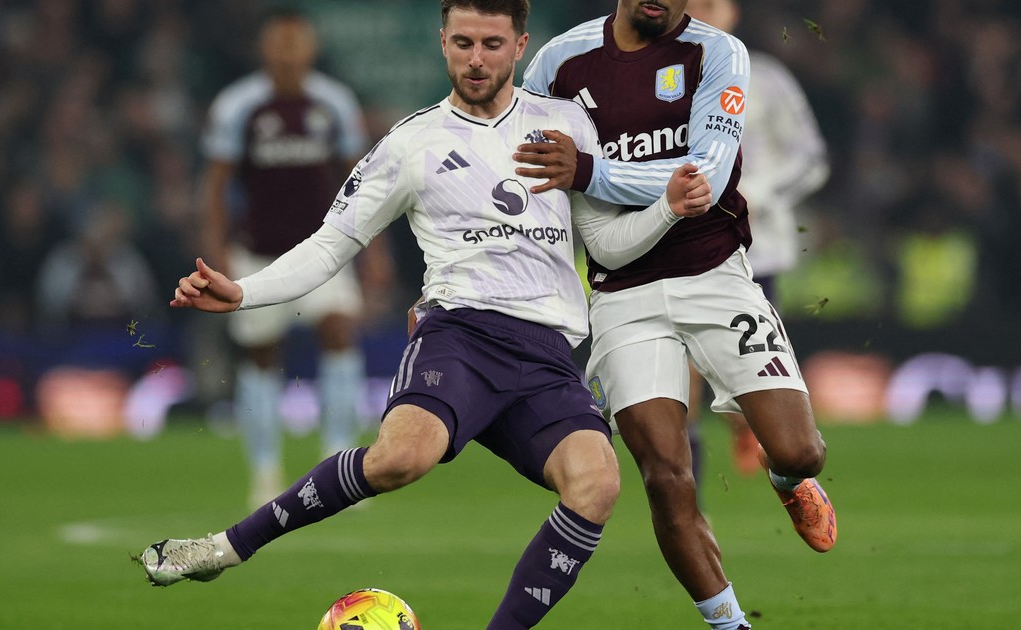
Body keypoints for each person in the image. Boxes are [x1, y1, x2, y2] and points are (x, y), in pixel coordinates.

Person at [138, 2, 714, 628]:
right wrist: (244, 292)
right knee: (400, 459)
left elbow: (604, 244)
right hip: (460, 335)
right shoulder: (412, 142)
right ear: (442, 43)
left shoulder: (566, 124)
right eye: (463, 43)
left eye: (492, 44)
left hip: (548, 353)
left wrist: (667, 210)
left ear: (521, 45)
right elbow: (332, 244)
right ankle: (221, 549)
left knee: (597, 483)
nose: (476, 59)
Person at [517, 1, 837, 628]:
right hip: (621, 295)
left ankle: (785, 478)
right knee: (666, 477)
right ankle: (730, 623)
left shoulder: (718, 53)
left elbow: (704, 181)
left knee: (802, 451)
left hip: (715, 275)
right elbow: (526, 171)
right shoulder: (558, 62)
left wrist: (587, 171)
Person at [200, 8, 389, 507]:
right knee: (261, 355)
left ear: (310, 49)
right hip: (256, 254)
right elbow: (216, 185)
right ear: (265, 50)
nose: (287, 53)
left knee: (339, 331)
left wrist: (374, 250)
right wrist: (217, 250)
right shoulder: (238, 106)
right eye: (279, 44)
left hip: (322, 251)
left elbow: (360, 180)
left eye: (295, 43)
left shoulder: (334, 102)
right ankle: (265, 471)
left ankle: (339, 463)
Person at [684, 0, 830, 479]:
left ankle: (771, 452)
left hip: (754, 251)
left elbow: (811, 157)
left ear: (733, 12)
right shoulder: (660, 76)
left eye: (711, 4)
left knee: (755, 388)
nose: (701, 13)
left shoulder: (765, 78)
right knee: (681, 383)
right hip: (679, 248)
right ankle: (688, 502)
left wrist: (759, 193)